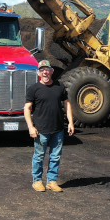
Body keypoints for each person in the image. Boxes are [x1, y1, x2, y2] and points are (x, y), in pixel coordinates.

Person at [24, 60, 74, 192]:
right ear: (38, 73)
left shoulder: (60, 86)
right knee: (39, 156)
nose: (45, 72)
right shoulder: (34, 89)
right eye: (42, 70)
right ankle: (37, 181)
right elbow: (27, 108)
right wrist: (31, 127)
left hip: (58, 129)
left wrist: (70, 122)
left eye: (47, 69)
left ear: (51, 71)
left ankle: (51, 181)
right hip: (41, 130)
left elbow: (67, 104)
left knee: (55, 156)